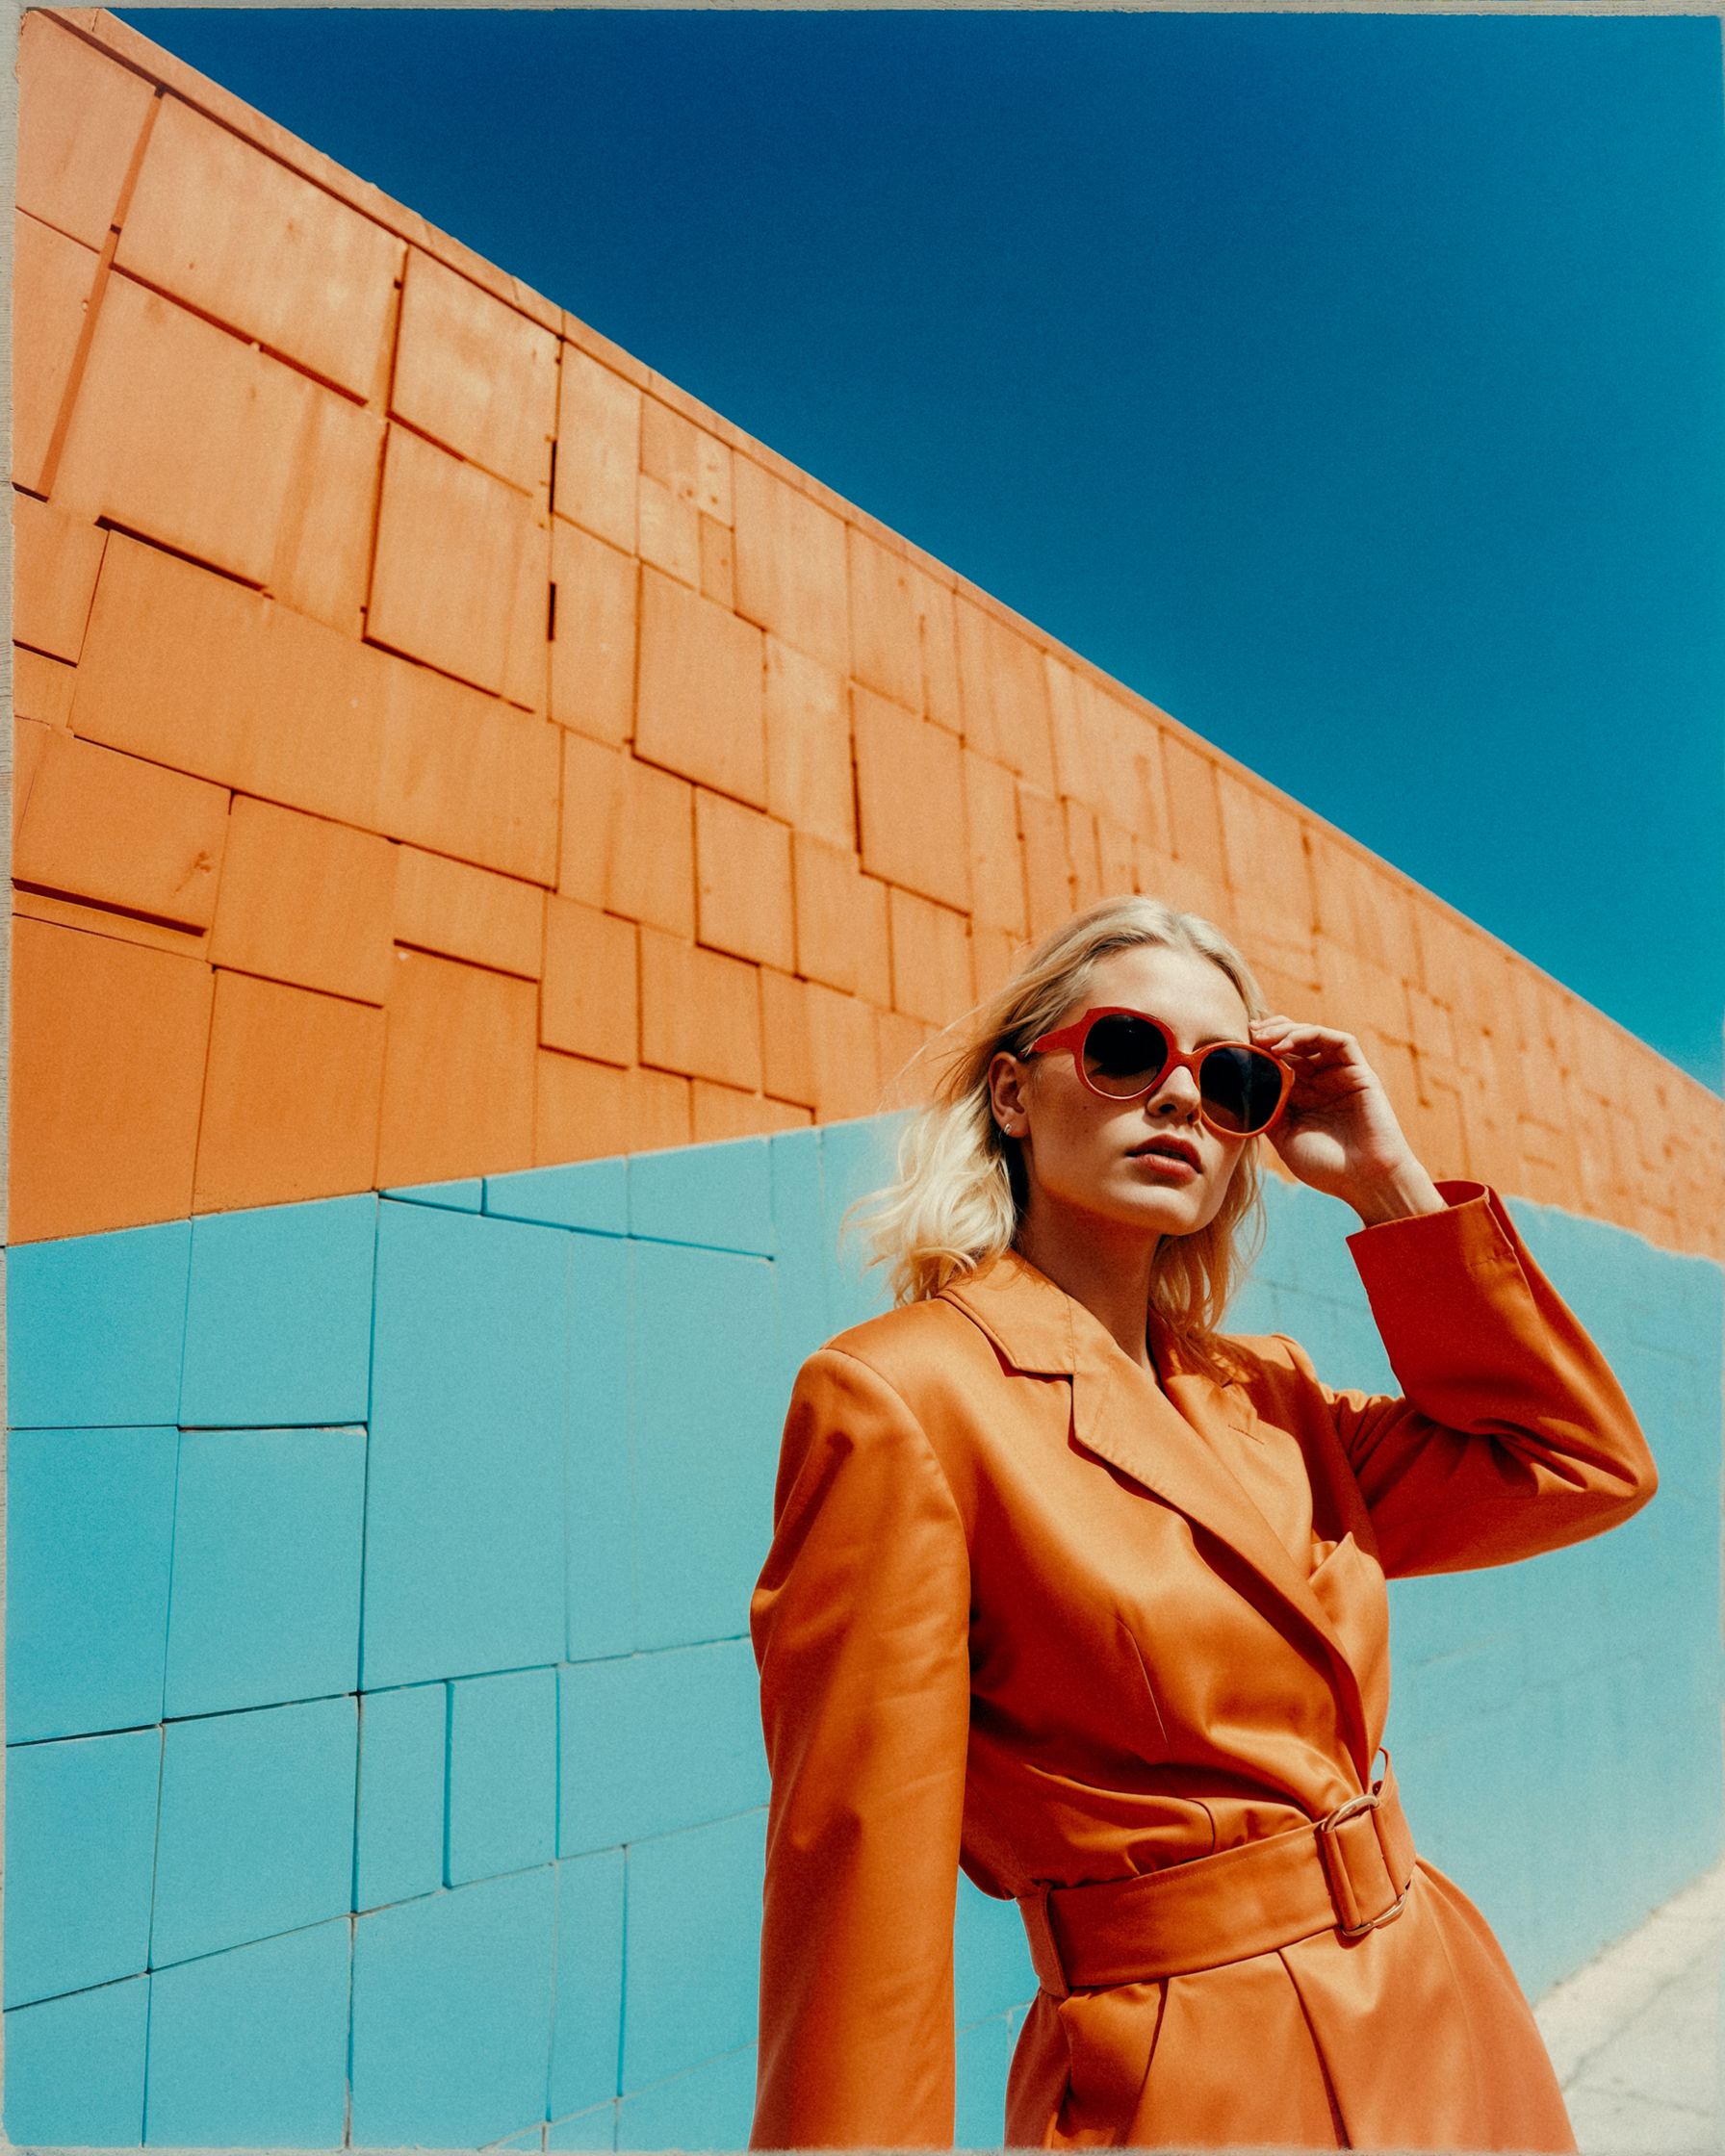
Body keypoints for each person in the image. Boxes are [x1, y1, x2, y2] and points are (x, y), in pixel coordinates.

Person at [747, 893, 1659, 2153]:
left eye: (1230, 1079)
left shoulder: (1272, 1394)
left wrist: (1385, 1183)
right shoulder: (902, 1399)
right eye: (1126, 1052)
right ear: (1013, 1095)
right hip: (1188, 2078)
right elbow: (855, 1893)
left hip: (1437, 2013)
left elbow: (1577, 1463)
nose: (1179, 1095)